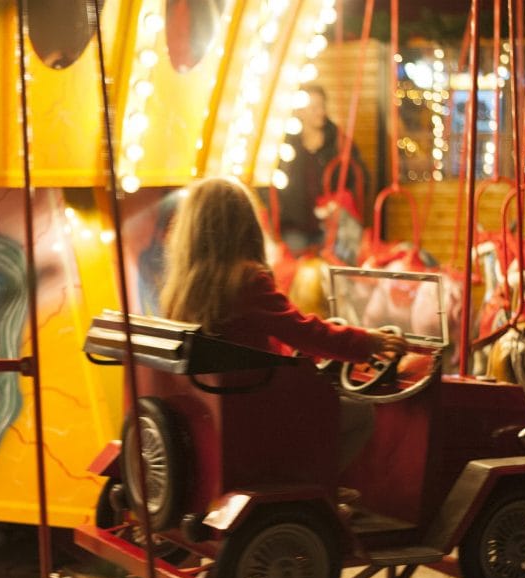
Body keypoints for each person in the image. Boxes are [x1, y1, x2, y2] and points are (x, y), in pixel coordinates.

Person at [160, 176, 407, 488]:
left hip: (220, 406)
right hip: (257, 407)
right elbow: (304, 332)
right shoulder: (246, 280)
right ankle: (310, 488)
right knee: (360, 415)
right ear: (244, 226)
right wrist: (368, 341)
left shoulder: (184, 286)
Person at [277, 84, 368, 260]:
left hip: (332, 228)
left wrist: (341, 204)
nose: (320, 112)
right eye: (314, 108)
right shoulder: (285, 144)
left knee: (333, 276)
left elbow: (360, 178)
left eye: (322, 106)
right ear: (300, 112)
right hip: (295, 227)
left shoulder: (338, 142)